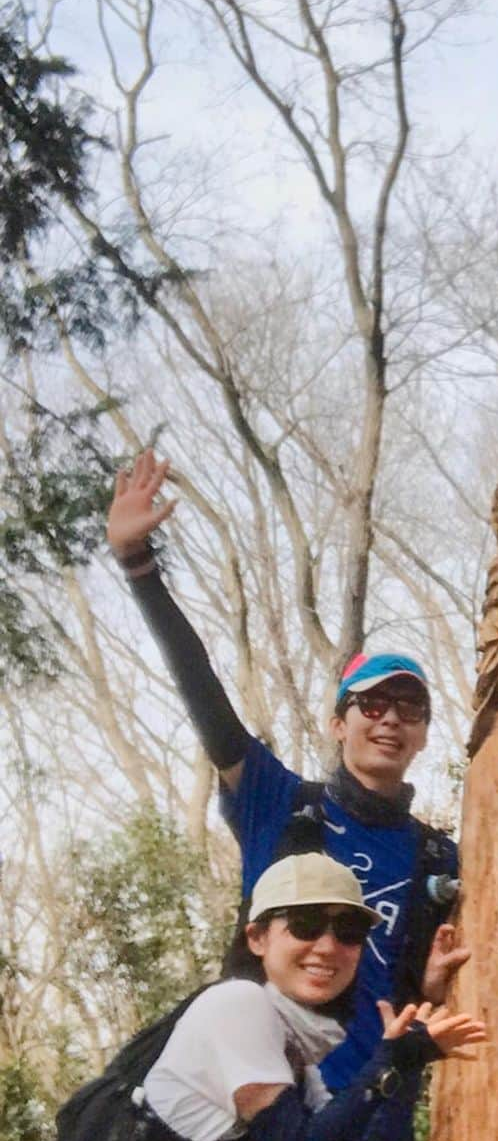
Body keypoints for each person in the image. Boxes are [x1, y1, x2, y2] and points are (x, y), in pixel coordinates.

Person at [106, 448, 466, 1090]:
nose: (388, 719)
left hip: (369, 1109)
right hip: (257, 1104)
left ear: (424, 733)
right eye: (371, 704)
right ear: (338, 724)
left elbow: (419, 990)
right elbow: (208, 701)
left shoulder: (440, 859)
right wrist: (139, 570)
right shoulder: (281, 803)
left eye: (408, 707)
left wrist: (434, 991)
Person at [0, 853, 487, 1141]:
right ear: (257, 938)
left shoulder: (297, 1062)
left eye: (350, 930)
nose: (327, 946)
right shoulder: (239, 1006)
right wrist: (392, 1062)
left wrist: (414, 1034)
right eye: (305, 924)